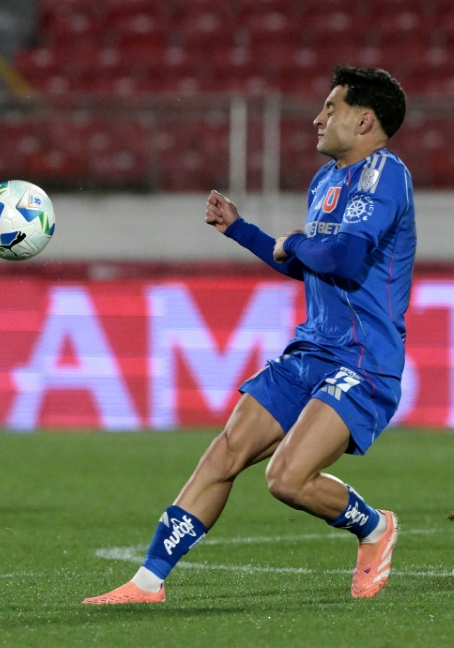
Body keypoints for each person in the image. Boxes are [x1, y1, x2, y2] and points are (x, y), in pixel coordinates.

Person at [84, 65, 414, 604]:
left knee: (286, 479)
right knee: (225, 452)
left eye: (330, 108)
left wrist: (298, 243)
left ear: (364, 120)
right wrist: (243, 231)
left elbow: (349, 260)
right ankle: (148, 582)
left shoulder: (385, 175)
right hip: (310, 349)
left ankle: (374, 527)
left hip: (362, 363)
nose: (318, 117)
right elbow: (309, 262)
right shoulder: (326, 181)